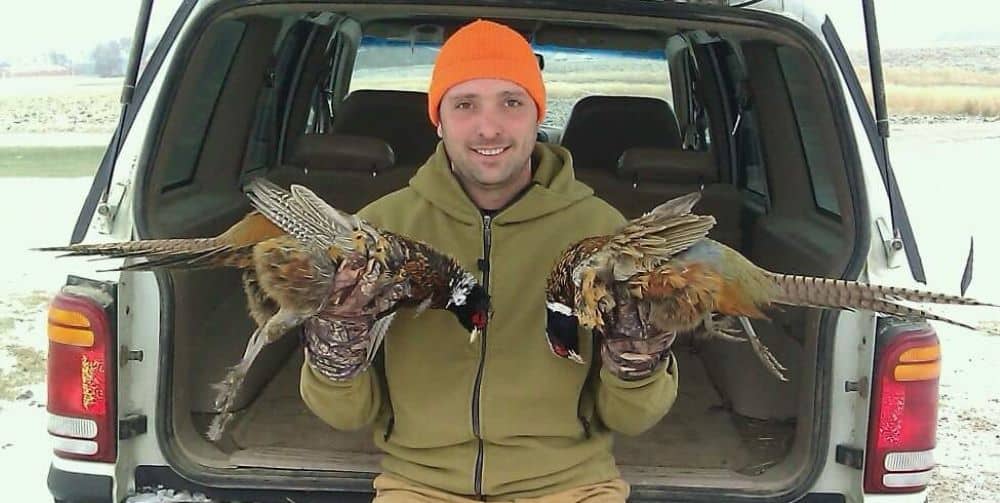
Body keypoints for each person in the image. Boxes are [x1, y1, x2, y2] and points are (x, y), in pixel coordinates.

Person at [300, 19, 679, 502]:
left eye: (511, 102)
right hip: (420, 485)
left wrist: (637, 361)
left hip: (570, 485)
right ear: (438, 119)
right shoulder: (377, 232)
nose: (489, 126)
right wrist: (336, 348)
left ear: (538, 113)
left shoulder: (605, 235)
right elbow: (346, 415)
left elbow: (631, 418)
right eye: (464, 104)